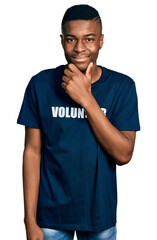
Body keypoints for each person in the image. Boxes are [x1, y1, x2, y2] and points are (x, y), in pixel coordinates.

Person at [17, 4, 140, 240]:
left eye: (89, 39)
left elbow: (124, 154)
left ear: (101, 40)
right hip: (49, 218)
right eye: (71, 39)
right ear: (62, 40)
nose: (80, 48)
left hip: (99, 217)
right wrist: (29, 221)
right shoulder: (40, 85)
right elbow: (32, 152)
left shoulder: (122, 87)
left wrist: (87, 99)